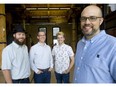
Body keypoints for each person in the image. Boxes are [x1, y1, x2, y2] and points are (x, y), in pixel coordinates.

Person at [73, 5, 116, 83]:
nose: (87, 22)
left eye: (92, 18)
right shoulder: (80, 44)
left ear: (101, 21)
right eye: (83, 18)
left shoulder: (113, 45)